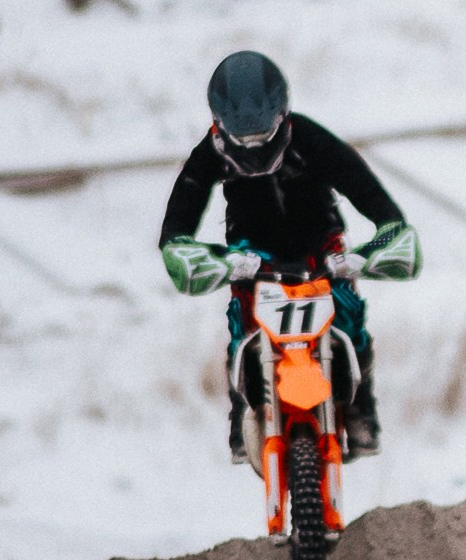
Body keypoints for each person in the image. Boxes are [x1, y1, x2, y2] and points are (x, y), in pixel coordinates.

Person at [157, 50, 422, 459]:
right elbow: (177, 226)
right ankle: (241, 409)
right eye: (242, 139)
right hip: (252, 253)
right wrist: (202, 257)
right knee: (242, 321)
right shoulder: (207, 157)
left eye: (262, 136)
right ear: (220, 125)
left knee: (348, 313)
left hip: (321, 245)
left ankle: (360, 407)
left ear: (282, 115)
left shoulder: (311, 139)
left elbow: (367, 191)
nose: (254, 148)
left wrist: (384, 234)